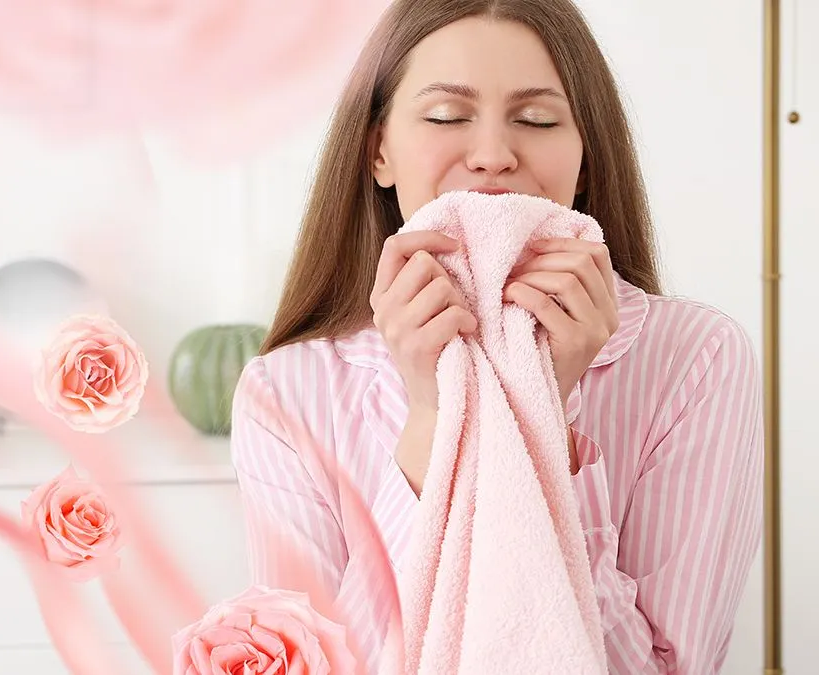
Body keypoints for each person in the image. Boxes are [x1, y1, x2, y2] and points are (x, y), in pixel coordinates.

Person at [228, 0, 764, 673]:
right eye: (447, 116)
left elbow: (672, 666)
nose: (492, 156)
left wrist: (545, 413)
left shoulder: (697, 358)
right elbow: (318, 662)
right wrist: (431, 422)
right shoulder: (287, 393)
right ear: (379, 151)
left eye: (536, 120)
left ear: (585, 156)